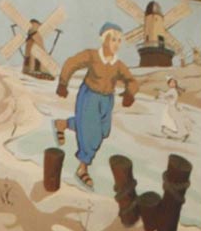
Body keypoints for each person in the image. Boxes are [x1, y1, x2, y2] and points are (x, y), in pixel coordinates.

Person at [55, 23, 139, 188]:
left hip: (107, 100)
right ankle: (82, 168)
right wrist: (63, 83)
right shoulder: (92, 55)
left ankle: (62, 124)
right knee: (91, 134)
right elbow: (72, 63)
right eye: (113, 39)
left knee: (103, 131)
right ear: (104, 39)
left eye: (119, 41)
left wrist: (130, 92)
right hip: (89, 97)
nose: (116, 44)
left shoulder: (118, 64)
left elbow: (132, 80)